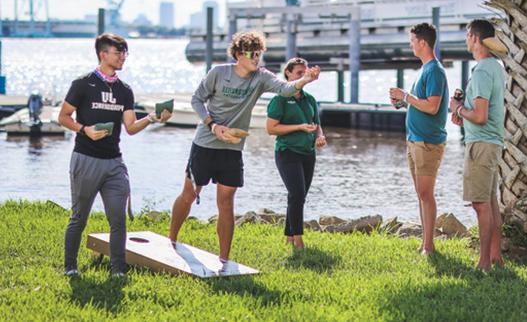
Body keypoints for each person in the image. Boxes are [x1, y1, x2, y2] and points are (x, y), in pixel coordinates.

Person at [168, 31, 320, 272]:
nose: (256, 58)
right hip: (205, 143)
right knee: (189, 194)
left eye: (259, 54)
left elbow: (285, 89)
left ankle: (225, 261)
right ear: (238, 54)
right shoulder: (219, 73)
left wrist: (305, 80)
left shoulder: (260, 77)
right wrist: (213, 125)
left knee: (226, 202)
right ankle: (171, 241)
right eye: (252, 54)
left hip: (233, 149)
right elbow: (197, 100)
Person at [58, 33, 171, 277]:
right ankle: (70, 268)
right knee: (79, 218)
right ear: (103, 54)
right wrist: (84, 130)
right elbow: (63, 117)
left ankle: (118, 271)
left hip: (114, 163)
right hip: (85, 160)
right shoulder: (82, 84)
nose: (123, 57)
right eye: (118, 52)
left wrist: (152, 118)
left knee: (118, 220)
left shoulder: (124, 90)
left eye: (125, 53)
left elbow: (130, 128)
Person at [450, 19, 507, 272]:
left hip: (481, 144)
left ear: (474, 38)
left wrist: (458, 108)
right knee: (490, 202)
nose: (465, 40)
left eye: (467, 35)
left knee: (480, 204)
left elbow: (481, 116)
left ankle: (484, 263)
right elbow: (481, 111)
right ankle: (495, 257)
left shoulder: (483, 70)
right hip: (491, 142)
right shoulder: (495, 66)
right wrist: (463, 112)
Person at [389, 23, 449, 256]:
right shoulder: (424, 70)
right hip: (415, 140)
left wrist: (405, 96)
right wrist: (402, 101)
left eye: (412, 40)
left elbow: (433, 107)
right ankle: (425, 243)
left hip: (427, 142)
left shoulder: (434, 70)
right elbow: (420, 103)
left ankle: (429, 246)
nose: (410, 44)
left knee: (425, 193)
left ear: (423, 43)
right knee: (421, 193)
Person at [266, 57, 326, 250]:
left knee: (298, 196)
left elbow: (317, 125)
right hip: (287, 152)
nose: (303, 76)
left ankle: (289, 236)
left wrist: (320, 137)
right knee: (297, 193)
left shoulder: (310, 100)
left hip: (308, 153)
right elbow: (271, 128)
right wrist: (298, 127)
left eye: (305, 72)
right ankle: (299, 240)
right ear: (288, 74)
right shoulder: (280, 98)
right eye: (299, 73)